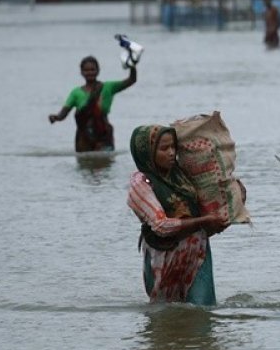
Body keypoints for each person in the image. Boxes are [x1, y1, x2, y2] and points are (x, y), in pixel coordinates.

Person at [127, 125, 229, 306]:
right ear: (147, 153)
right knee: (164, 314)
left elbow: (208, 200)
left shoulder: (182, 174)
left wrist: (232, 197)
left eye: (173, 147)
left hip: (197, 254)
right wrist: (204, 221)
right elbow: (161, 225)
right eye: (164, 148)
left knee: (202, 311)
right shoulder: (141, 184)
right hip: (164, 258)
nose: (171, 153)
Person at [48, 55, 136, 152]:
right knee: (85, 163)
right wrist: (56, 117)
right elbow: (64, 113)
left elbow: (131, 80)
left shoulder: (108, 87)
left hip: (103, 134)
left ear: (98, 70)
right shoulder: (76, 93)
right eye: (86, 70)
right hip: (84, 139)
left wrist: (132, 65)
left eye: (92, 69)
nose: (89, 72)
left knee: (105, 163)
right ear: (81, 72)